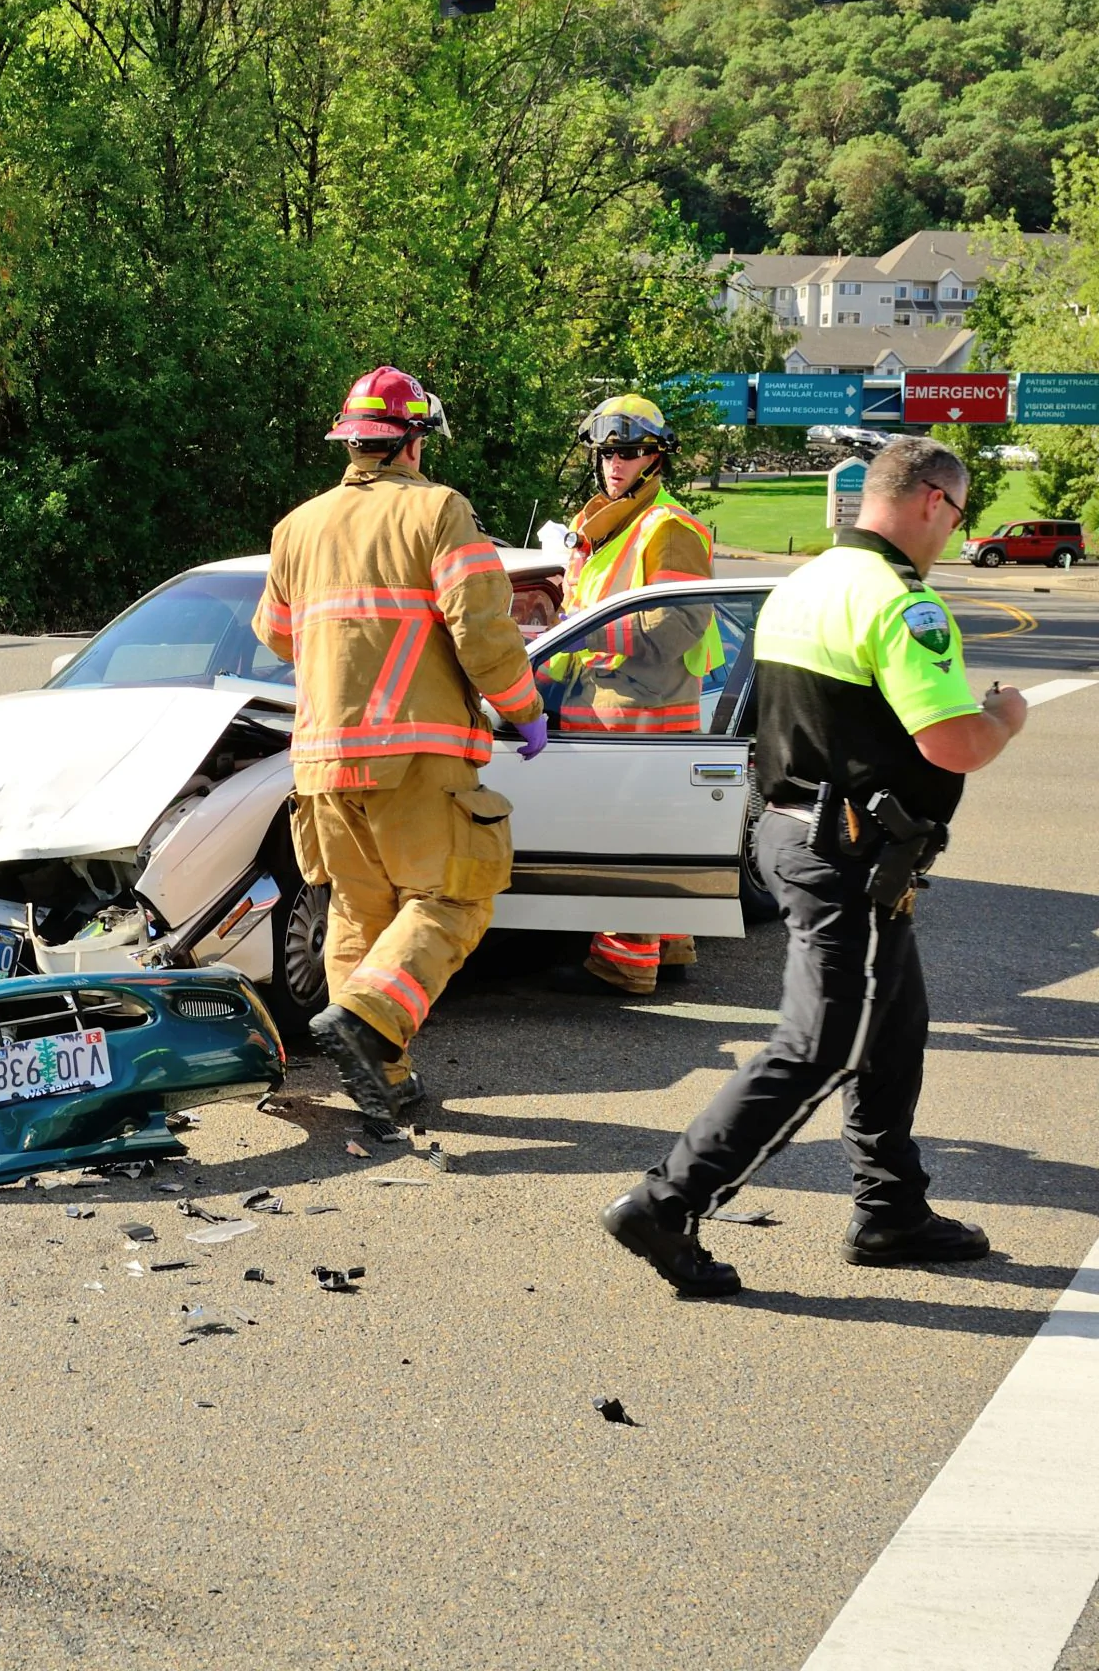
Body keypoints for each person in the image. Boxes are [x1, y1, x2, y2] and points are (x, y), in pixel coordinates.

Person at [602, 436, 1028, 1298]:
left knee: (893, 1025)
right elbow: (951, 743)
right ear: (933, 503)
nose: (955, 530)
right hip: (852, 852)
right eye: (959, 511)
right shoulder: (903, 604)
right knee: (823, 1042)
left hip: (796, 830)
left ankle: (891, 1209)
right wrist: (1005, 720)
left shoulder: (804, 586)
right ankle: (667, 1201)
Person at [254, 366, 550, 1137]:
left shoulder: (297, 526)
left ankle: (381, 1081)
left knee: (360, 914)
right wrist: (525, 710)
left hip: (321, 762)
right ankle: (369, 1019)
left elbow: (277, 635)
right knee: (456, 898)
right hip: (418, 754)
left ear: (352, 442)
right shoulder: (440, 510)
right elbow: (483, 631)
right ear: (412, 441)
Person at [541, 394, 724, 996]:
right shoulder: (608, 526)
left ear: (656, 458)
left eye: (629, 452)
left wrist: (589, 625)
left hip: (639, 716)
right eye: (607, 452)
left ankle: (626, 965)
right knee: (648, 841)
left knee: (623, 843)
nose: (615, 463)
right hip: (607, 709)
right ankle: (668, 947)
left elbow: (675, 627)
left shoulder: (668, 529)